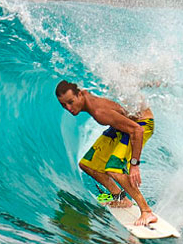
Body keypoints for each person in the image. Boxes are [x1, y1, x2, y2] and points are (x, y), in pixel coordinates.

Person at [55, 80, 158, 227]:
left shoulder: (99, 112)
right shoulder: (85, 93)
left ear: (80, 95)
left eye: (70, 102)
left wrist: (134, 165)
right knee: (88, 165)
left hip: (141, 124)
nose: (68, 108)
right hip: (122, 125)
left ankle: (147, 212)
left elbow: (137, 130)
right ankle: (121, 198)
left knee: (113, 169)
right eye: (63, 105)